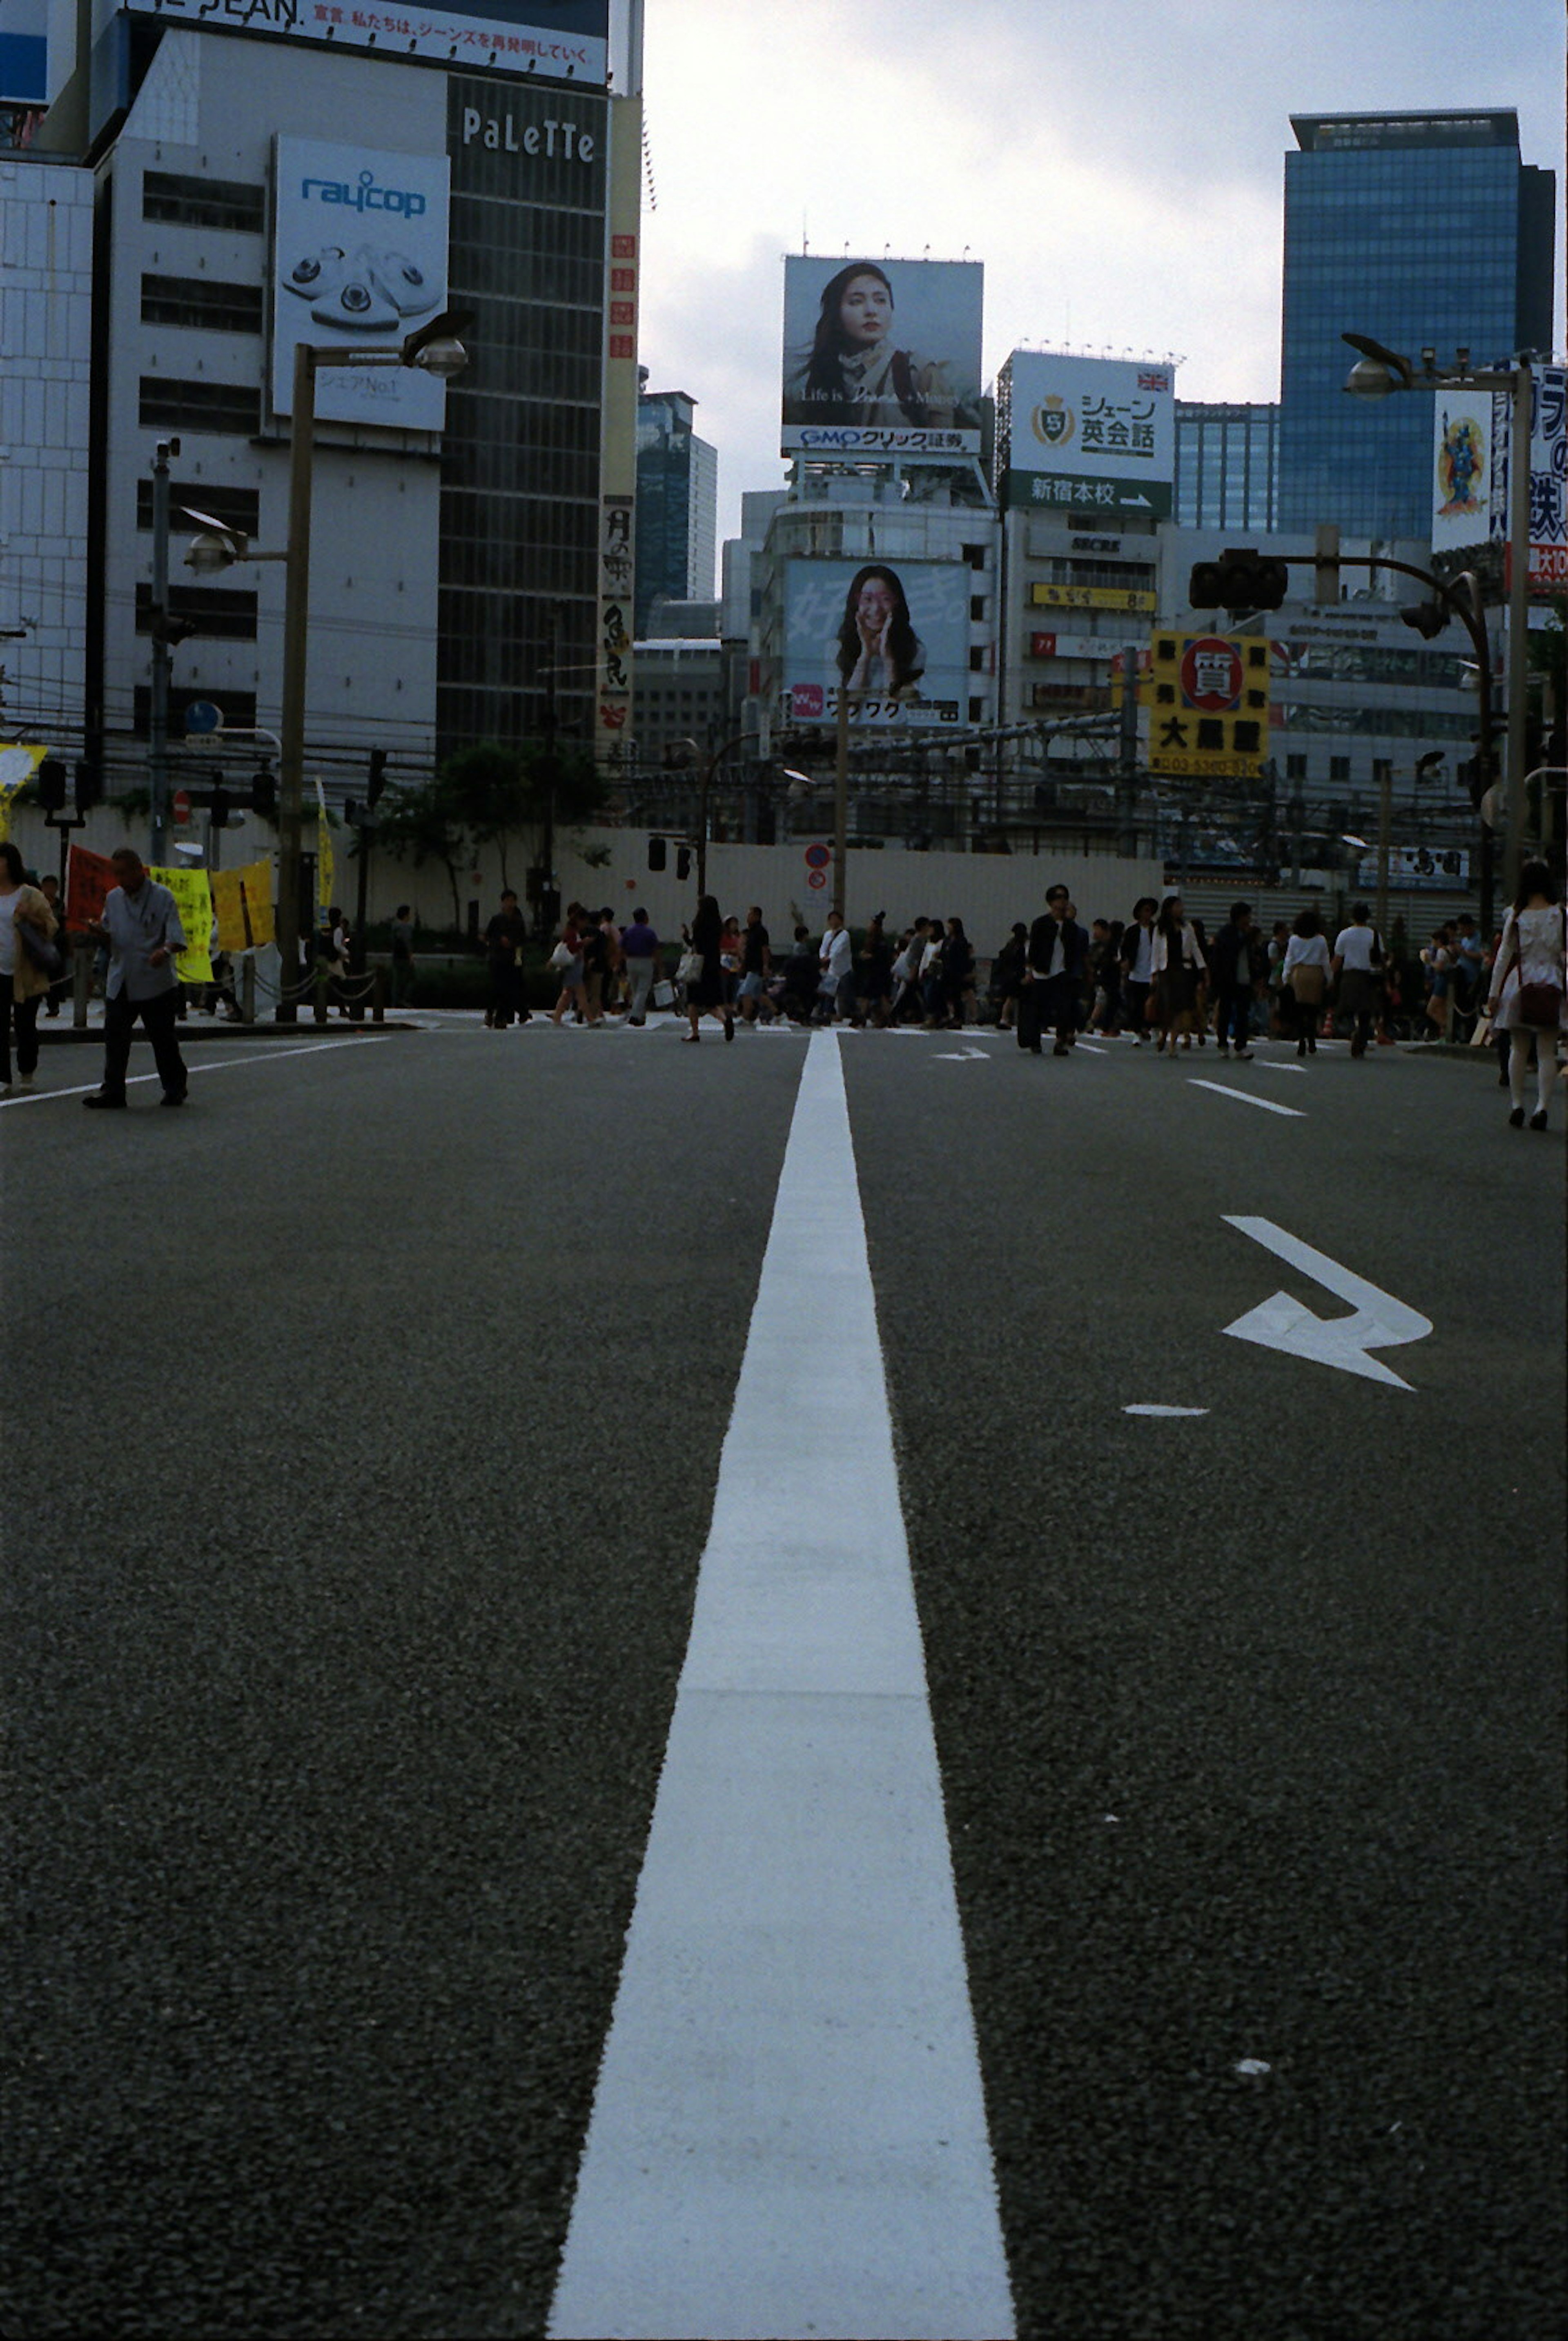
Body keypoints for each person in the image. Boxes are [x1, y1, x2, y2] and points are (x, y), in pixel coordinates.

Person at [785, 261, 976, 432]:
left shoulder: (920, 373)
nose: (871, 311)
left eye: (880, 300)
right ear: (835, 313)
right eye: (857, 302)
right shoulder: (811, 384)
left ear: (891, 309)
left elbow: (943, 453)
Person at [78, 846, 189, 1108]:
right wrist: (98, 932)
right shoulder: (114, 898)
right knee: (115, 1038)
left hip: (155, 980)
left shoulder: (163, 897)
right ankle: (113, 1090)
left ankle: (175, 1086)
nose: (120, 880)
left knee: (162, 1037)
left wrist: (164, 950)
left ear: (139, 870)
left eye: (124, 874)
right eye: (116, 874)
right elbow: (110, 933)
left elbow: (177, 937)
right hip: (122, 976)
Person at [1486, 858, 1566, 1131]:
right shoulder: (1561, 914)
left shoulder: (1516, 915)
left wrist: (1493, 992)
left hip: (1520, 982)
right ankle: (1543, 1106)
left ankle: (1517, 1104)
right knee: (1546, 1051)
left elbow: (1503, 957)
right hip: (1552, 981)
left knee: (1518, 1047)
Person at [0, 843, 59, 1095]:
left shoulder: (30, 895)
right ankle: (2, 1077)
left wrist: (28, 917)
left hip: (25, 970)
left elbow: (51, 926)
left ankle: (27, 1070)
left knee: (25, 1026)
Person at [836, 565, 926, 704]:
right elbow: (846, 710)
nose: (876, 609)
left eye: (885, 599)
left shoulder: (915, 650)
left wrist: (888, 660)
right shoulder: (836, 648)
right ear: (856, 603)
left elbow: (898, 717)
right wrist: (865, 656)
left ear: (897, 602)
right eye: (868, 599)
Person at [1020, 883, 1088, 1056]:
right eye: (1059, 898)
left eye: (1065, 898)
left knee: (1064, 1007)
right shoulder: (1040, 923)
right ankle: (1035, 1041)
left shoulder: (1071, 927)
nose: (1063, 901)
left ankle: (1061, 1041)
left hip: (1062, 972)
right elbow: (1032, 948)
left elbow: (1075, 950)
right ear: (1051, 902)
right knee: (1038, 1008)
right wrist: (1030, 970)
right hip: (1042, 971)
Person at [1149, 892, 1206, 1054]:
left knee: (1180, 1008)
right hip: (1166, 970)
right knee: (1167, 1005)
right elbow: (1155, 951)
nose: (1181, 909)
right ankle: (1164, 1034)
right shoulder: (1160, 928)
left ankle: (1172, 1043)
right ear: (1169, 909)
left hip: (1183, 970)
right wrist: (1154, 972)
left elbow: (1195, 948)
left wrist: (1202, 967)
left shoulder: (1187, 927)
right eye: (1177, 906)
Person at [1209, 901, 1264, 1060]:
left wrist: (1256, 977)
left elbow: (1253, 957)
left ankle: (1241, 1045)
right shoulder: (1226, 934)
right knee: (1225, 1013)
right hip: (1228, 979)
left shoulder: (1247, 935)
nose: (1249, 919)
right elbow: (1224, 955)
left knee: (1243, 1014)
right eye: (1247, 916)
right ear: (1239, 917)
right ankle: (1223, 1044)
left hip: (1244, 979)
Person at [1331, 903, 1384, 1059]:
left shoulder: (1345, 935)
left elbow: (1338, 959)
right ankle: (1360, 1041)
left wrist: (1329, 976)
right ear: (1368, 917)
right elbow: (1380, 958)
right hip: (1368, 977)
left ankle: (1350, 1032)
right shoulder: (1374, 935)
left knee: (1346, 1008)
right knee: (1366, 1012)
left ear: (1352, 916)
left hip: (1349, 976)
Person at [682, 892, 733, 1042]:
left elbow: (694, 944)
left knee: (693, 1000)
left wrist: (685, 935)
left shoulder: (698, 924)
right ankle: (724, 1020)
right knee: (711, 1001)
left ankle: (695, 1033)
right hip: (714, 963)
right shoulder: (718, 925)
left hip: (699, 964)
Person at [1282, 907, 1331, 1056]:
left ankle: (1302, 1040)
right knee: (1313, 1009)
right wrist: (1330, 978)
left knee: (1299, 1009)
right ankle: (1312, 1039)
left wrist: (1286, 976)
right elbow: (1325, 961)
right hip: (1315, 973)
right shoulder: (1321, 940)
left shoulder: (1294, 940)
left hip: (1299, 973)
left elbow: (1289, 959)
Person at [483, 889, 528, 1029]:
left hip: (511, 958)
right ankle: (490, 1012)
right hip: (497, 958)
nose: (510, 904)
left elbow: (522, 941)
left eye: (512, 901)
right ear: (502, 903)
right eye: (507, 901)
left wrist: (518, 957)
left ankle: (502, 1017)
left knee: (508, 989)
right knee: (496, 987)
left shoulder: (519, 922)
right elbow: (488, 937)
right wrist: (499, 941)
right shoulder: (496, 920)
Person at [1120, 898, 1157, 1043]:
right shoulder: (1132, 930)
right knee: (1136, 1003)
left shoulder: (1156, 930)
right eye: (1145, 911)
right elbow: (1125, 949)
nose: (1148, 914)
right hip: (1136, 971)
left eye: (1150, 911)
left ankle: (1151, 1028)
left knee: (1152, 1002)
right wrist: (1126, 962)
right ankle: (1136, 1031)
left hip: (1152, 971)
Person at [548, 904, 591, 1027]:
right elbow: (572, 947)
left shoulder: (570, 931)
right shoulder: (572, 933)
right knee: (579, 993)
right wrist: (584, 943)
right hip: (574, 966)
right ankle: (590, 1018)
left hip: (572, 966)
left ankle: (557, 1017)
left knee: (568, 993)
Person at [621, 906, 660, 1025]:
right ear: (645, 918)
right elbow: (656, 950)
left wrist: (623, 960)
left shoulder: (628, 932)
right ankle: (636, 1015)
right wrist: (659, 964)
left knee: (635, 989)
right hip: (646, 961)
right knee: (643, 991)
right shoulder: (650, 932)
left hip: (631, 960)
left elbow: (622, 947)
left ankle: (641, 1016)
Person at [38, 873, 69, 1017]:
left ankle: (54, 1005)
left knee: (54, 976)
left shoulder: (62, 906)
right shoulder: (38, 904)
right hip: (40, 945)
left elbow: (64, 927)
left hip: (57, 945)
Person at [735, 904, 772, 1023]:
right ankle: (778, 1013)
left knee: (746, 992)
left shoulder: (761, 931)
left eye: (750, 915)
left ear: (757, 916)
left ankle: (746, 1016)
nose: (748, 918)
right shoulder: (750, 931)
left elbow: (765, 949)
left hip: (757, 967)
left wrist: (765, 966)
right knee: (757, 995)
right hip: (750, 966)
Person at [818, 908, 854, 1022]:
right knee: (829, 993)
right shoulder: (827, 935)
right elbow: (823, 948)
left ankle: (851, 1014)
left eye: (836, 919)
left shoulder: (844, 935)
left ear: (841, 921)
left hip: (844, 969)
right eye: (831, 919)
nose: (833, 922)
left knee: (845, 995)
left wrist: (830, 957)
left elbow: (838, 949)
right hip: (832, 970)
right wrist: (823, 957)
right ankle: (827, 1014)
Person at [941, 916, 976, 1028]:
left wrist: (966, 972)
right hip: (947, 972)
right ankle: (949, 1016)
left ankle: (958, 1019)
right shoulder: (947, 940)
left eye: (950, 925)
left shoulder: (961, 941)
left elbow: (964, 958)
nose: (948, 928)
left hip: (957, 973)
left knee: (956, 996)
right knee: (947, 995)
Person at [388, 903, 416, 1008]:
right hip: (404, 957)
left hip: (396, 956)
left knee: (397, 981)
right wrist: (411, 956)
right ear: (405, 915)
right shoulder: (406, 928)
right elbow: (407, 942)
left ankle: (395, 1002)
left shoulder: (394, 927)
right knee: (410, 979)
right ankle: (404, 1000)